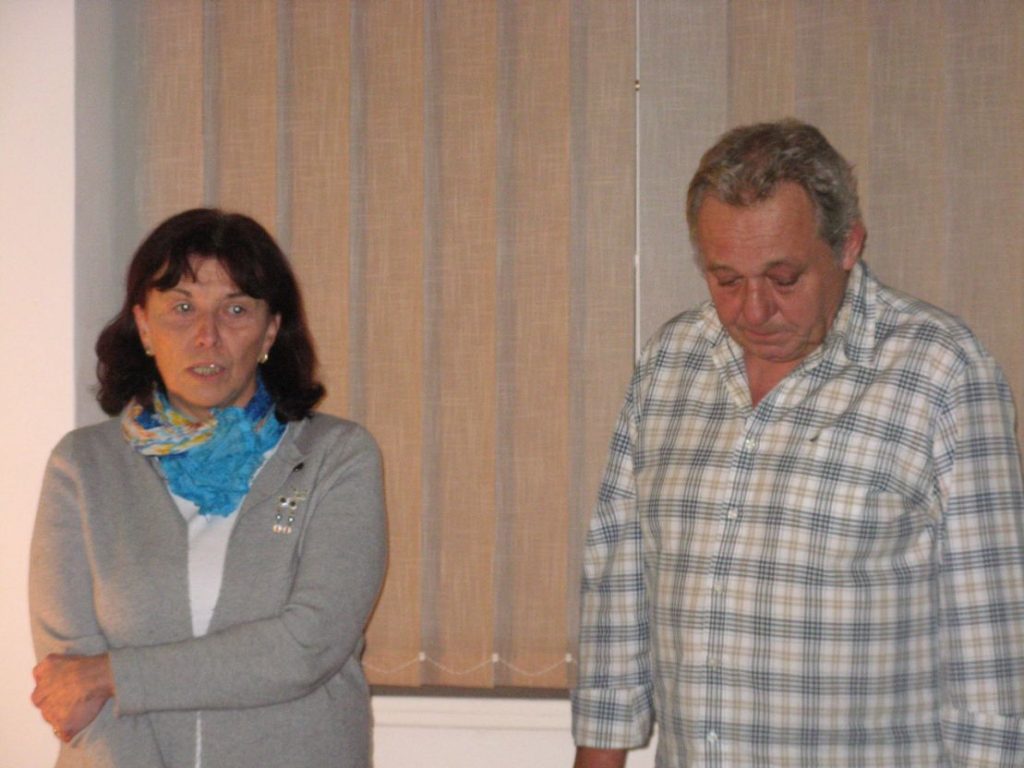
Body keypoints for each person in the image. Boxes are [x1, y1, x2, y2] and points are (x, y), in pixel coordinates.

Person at [571, 119, 1024, 766]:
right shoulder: (671, 361)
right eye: (726, 280)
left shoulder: (941, 371)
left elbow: (993, 648)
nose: (753, 311)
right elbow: (618, 582)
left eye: (783, 278)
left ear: (848, 246)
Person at [29, 208, 386, 767]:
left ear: (271, 331)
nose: (207, 335)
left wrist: (117, 675)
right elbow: (72, 687)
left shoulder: (335, 457)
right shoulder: (82, 466)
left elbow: (307, 646)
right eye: (182, 307)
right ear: (144, 326)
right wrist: (98, 680)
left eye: (236, 310)